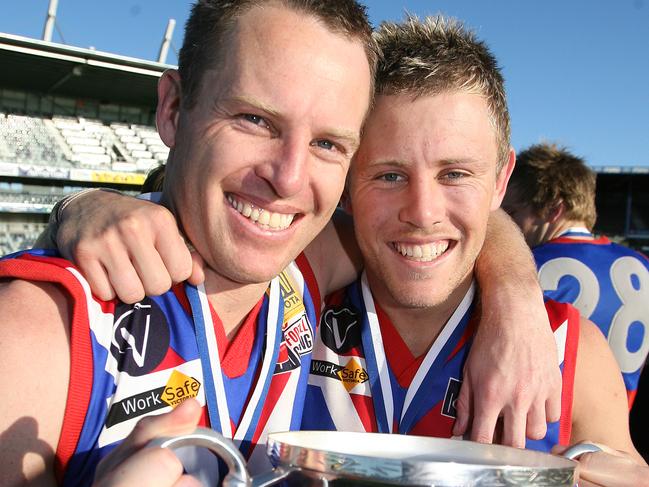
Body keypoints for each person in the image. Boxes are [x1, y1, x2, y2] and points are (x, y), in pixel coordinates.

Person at [0, 1, 561, 485]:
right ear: (172, 109)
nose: (289, 178)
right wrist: (76, 206)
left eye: (326, 143)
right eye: (255, 120)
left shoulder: (304, 268)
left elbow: (437, 226)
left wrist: (516, 295)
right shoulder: (38, 327)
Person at [301, 16, 647, 485]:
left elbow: (623, 467)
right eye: (389, 174)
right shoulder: (286, 308)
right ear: (346, 178)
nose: (423, 212)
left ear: (502, 179)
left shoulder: (572, 348)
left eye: (455, 174)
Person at [502, 143, 649, 407]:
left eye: (512, 213)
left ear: (552, 209)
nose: (506, 224)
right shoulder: (643, 266)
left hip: (550, 436)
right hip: (618, 433)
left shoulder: (523, 268)